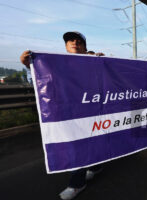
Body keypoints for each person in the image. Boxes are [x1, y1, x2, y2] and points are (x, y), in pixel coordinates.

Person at [20, 31, 104, 200]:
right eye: (70, 40)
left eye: (78, 40)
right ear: (65, 46)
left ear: (85, 46)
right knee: (75, 147)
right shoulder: (56, 65)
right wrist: (30, 65)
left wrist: (105, 63)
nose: (74, 42)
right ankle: (77, 183)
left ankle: (95, 167)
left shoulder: (94, 63)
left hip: (92, 112)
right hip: (68, 115)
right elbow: (42, 80)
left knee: (94, 141)